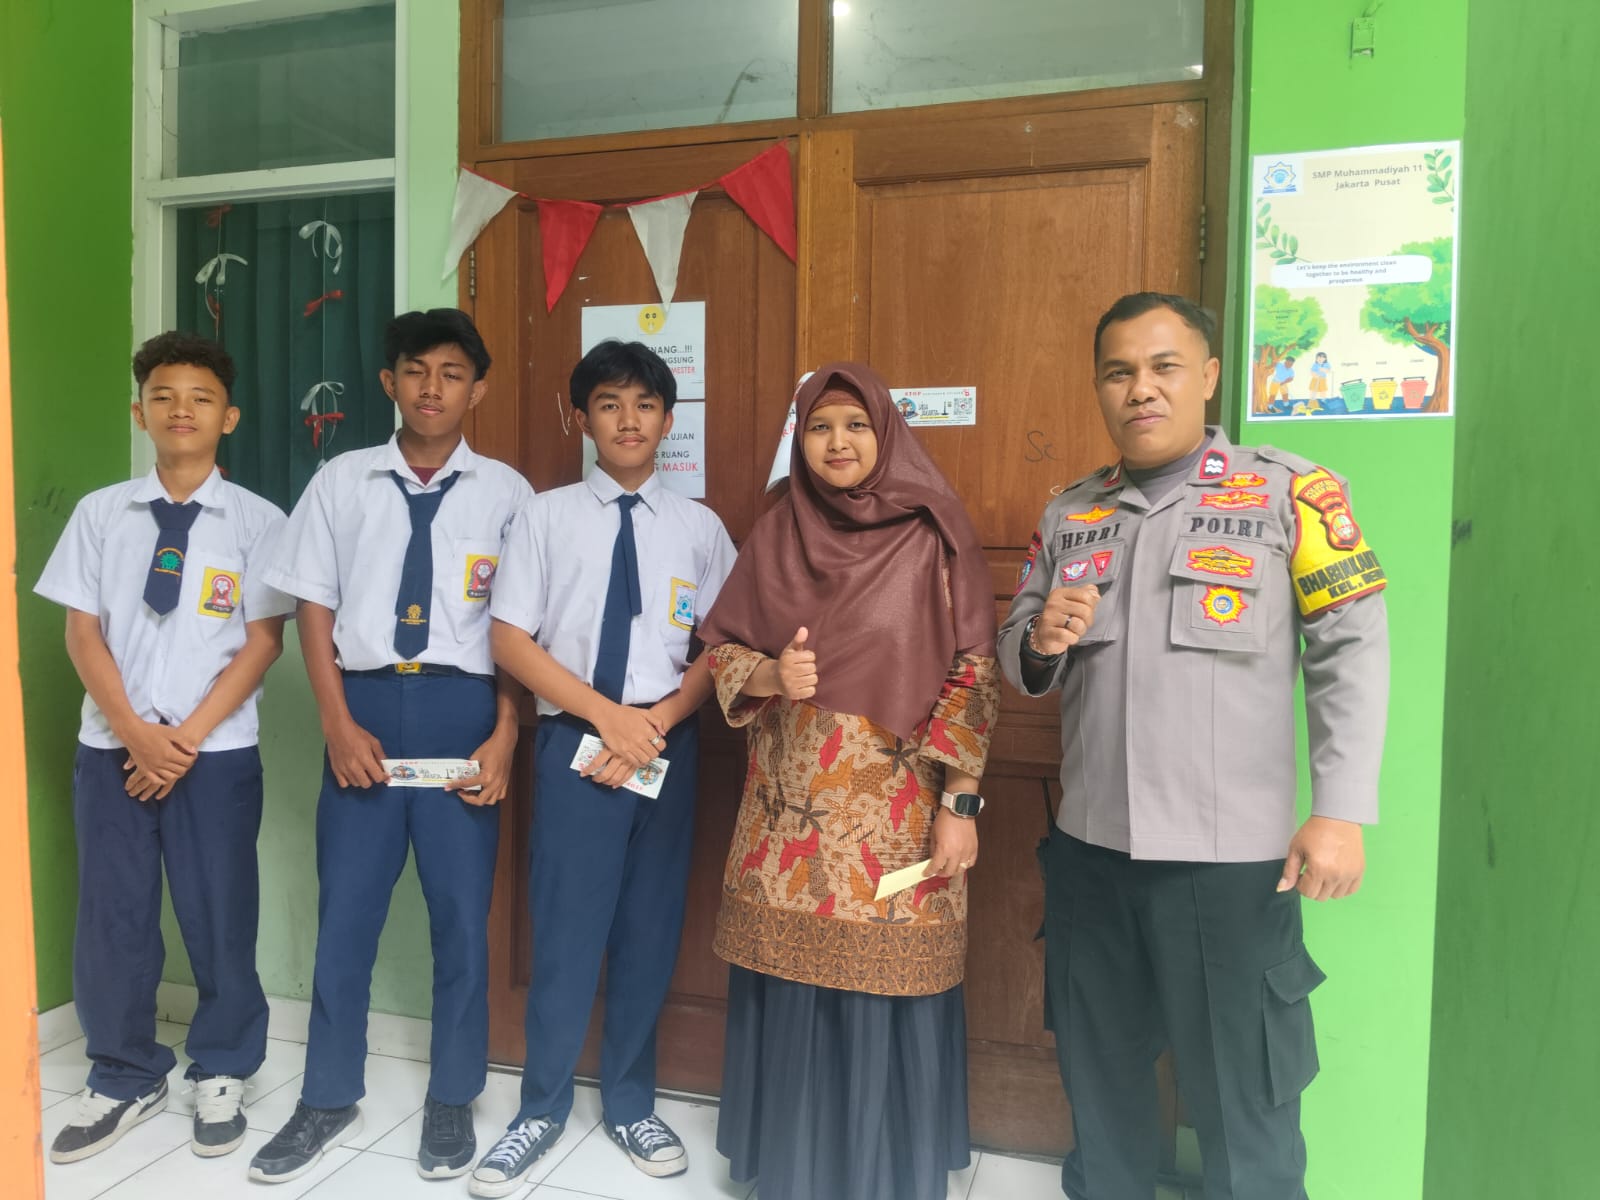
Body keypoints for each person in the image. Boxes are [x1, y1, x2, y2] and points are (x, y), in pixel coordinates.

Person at [1000, 292, 1389, 1200]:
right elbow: (1018, 653)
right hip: (1093, 857)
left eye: (1164, 367)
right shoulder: (1070, 515)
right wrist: (1040, 641)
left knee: (1245, 1104)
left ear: (1208, 376)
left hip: (1230, 868)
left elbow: (1352, 647)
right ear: (1100, 388)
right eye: (1119, 372)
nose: (1141, 388)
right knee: (1100, 1088)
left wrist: (1340, 811)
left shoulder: (1291, 493)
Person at [698, 364, 1000, 1200]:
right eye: (820, 426)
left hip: (898, 814)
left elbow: (974, 674)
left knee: (887, 983)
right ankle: (791, 1169)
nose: (837, 442)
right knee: (793, 985)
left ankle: (883, 1175)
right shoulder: (776, 531)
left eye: (855, 425)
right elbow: (721, 651)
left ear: (886, 433)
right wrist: (768, 674)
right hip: (788, 816)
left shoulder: (936, 532)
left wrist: (961, 804)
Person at [250, 308, 532, 1184]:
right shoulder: (342, 482)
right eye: (416, 370)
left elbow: (521, 629)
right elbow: (314, 608)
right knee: (347, 915)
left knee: (461, 920)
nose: (432, 387)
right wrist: (335, 721)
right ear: (389, 381)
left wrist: (506, 734)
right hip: (364, 705)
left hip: (462, 711)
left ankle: (452, 1096)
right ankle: (327, 1095)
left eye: (452, 373)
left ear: (477, 388)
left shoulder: (508, 495)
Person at [471, 340, 735, 1195]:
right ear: (580, 417)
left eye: (645, 405)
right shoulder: (545, 517)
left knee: (650, 933)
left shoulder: (700, 527)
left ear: (668, 419)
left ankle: (630, 1103)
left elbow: (724, 647)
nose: (629, 420)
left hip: (667, 745)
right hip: (574, 744)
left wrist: (652, 724)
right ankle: (539, 1110)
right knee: (567, 932)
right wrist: (606, 719)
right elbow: (510, 638)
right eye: (610, 404)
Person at [35, 331, 292, 1163]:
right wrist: (136, 734)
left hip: (214, 754)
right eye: (164, 396)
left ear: (230, 416)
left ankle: (222, 1066)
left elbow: (262, 642)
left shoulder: (259, 521)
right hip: (112, 748)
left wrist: (182, 739)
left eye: (201, 397)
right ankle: (123, 1072)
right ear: (138, 411)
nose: (182, 410)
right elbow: (82, 633)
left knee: (220, 910)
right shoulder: (100, 514)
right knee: (113, 914)